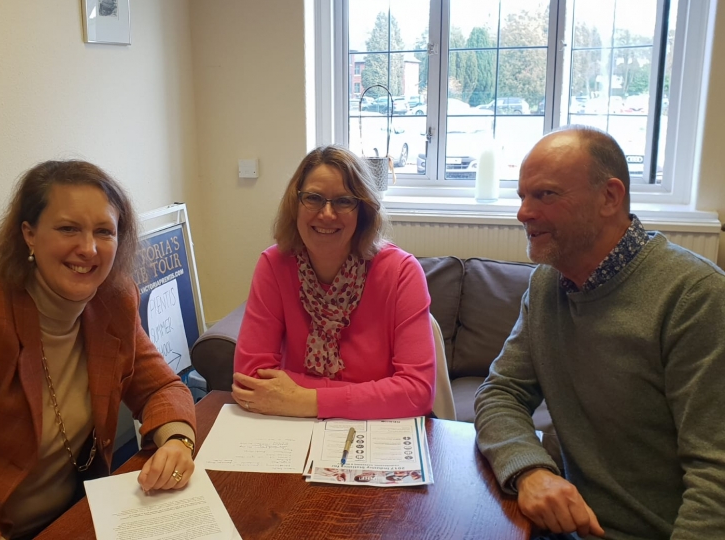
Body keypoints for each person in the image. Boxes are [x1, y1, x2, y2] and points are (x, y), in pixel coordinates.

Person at [0, 160, 198, 540]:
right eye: (68, 228)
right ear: (29, 234)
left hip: (75, 514)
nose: (88, 249)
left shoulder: (115, 300)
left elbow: (161, 388)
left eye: (104, 231)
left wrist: (177, 441)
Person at [474, 126, 725, 539]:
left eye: (546, 195)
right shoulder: (545, 286)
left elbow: (715, 477)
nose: (523, 213)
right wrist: (530, 471)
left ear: (610, 197)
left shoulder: (695, 297)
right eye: (522, 196)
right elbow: (501, 393)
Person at [232, 145, 435, 419]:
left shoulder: (402, 273)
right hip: (295, 429)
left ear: (362, 210)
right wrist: (371, 394)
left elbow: (416, 393)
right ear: (296, 203)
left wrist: (306, 399)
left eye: (343, 201)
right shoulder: (274, 266)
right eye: (313, 198)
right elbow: (251, 381)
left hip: (378, 433)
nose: (327, 214)